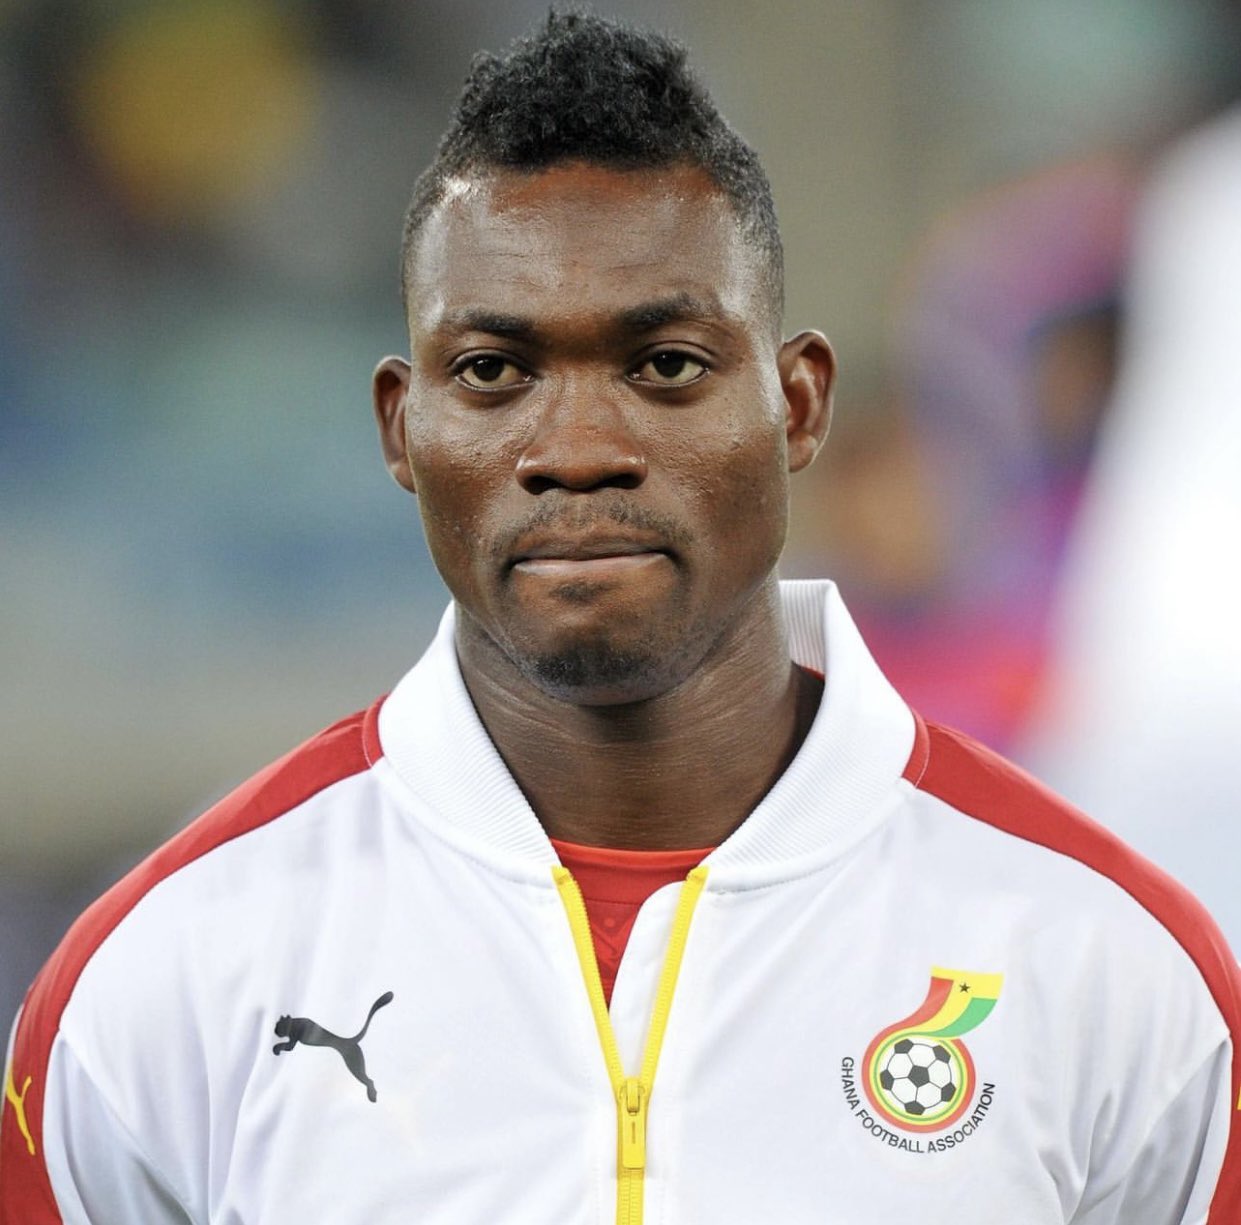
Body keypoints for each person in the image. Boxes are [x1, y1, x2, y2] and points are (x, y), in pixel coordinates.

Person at [2, 14, 1238, 1224]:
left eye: (666, 366)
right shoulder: (166, 974)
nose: (577, 448)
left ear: (799, 405)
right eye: (492, 371)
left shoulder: (1110, 965)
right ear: (399, 428)